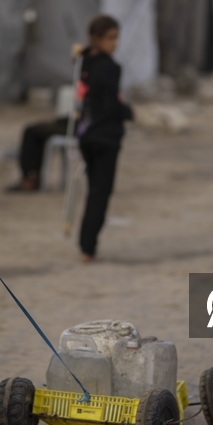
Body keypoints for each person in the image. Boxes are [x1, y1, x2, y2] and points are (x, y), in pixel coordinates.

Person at [77, 15, 132, 261]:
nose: (115, 43)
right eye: (110, 38)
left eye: (116, 37)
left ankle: (87, 243)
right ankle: (88, 246)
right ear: (98, 39)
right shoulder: (111, 67)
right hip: (105, 136)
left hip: (86, 134)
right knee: (101, 192)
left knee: (94, 190)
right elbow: (110, 104)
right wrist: (127, 112)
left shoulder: (85, 61)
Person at [6, 116, 70, 192]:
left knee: (31, 132)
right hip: (72, 121)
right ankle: (32, 176)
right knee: (35, 132)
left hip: (79, 126)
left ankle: (30, 177)